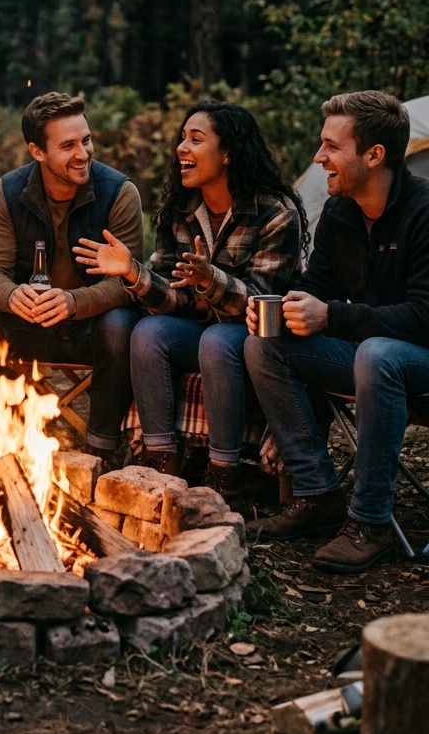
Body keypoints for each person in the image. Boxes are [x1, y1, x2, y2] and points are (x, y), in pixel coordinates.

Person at [74, 101, 307, 500]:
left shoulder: (274, 212)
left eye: (196, 139)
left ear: (228, 152)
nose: (181, 147)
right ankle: (159, 463)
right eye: (182, 138)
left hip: (254, 337)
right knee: (149, 332)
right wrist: (132, 272)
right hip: (196, 327)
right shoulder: (180, 210)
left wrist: (210, 280)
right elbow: (174, 299)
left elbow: (259, 302)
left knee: (216, 341)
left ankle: (224, 475)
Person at [243, 90, 429, 573]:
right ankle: (316, 495)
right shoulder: (340, 213)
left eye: (331, 146)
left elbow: (423, 317)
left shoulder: (424, 212)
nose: (318, 157)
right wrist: (283, 310)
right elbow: (316, 287)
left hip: (416, 360)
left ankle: (371, 524)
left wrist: (332, 317)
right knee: (264, 346)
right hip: (372, 359)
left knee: (379, 354)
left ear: (374, 155)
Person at [0, 91, 143, 466]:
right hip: (30, 324)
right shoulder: (8, 192)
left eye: (86, 140)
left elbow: (128, 283)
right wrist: (12, 295)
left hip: (92, 328)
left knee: (121, 324)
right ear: (38, 151)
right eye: (68, 146)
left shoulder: (118, 192)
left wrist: (73, 302)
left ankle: (101, 451)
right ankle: (1, 442)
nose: (83, 153)